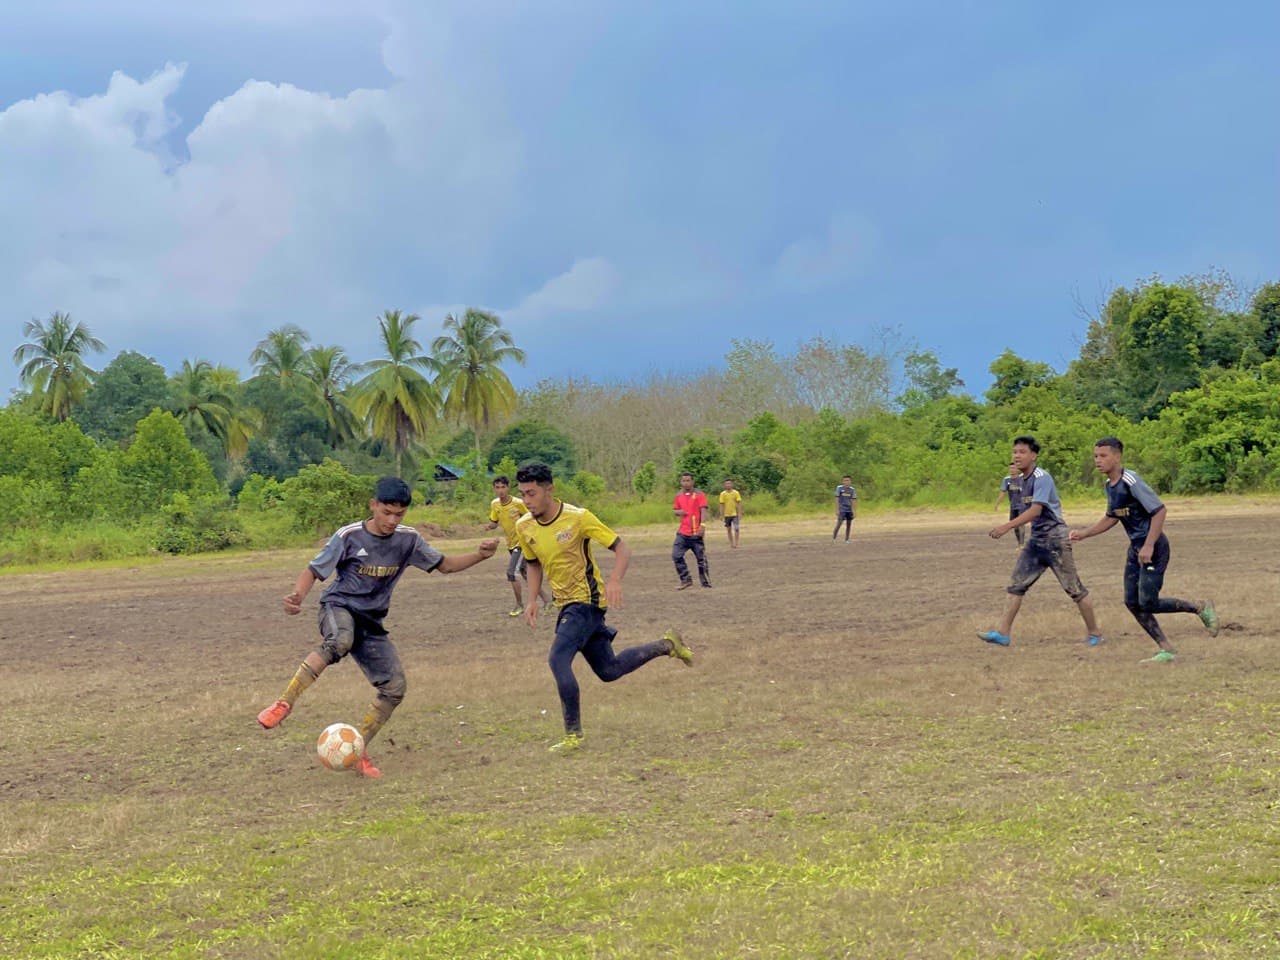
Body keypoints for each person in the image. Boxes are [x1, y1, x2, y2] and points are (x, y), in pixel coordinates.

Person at [256, 476, 499, 778]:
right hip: (339, 607)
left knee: (395, 688)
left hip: (371, 622)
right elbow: (314, 570)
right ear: (373, 506)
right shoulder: (350, 536)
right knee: (339, 641)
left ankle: (358, 750)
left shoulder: (408, 540)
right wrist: (297, 597)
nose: (392, 520)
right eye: (386, 512)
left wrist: (480, 555)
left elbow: (445, 565)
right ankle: (284, 704)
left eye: (399, 514)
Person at [515, 461, 694, 752]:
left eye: (532, 493)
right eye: (523, 494)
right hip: (567, 605)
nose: (527, 501)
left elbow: (622, 548)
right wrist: (532, 599)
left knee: (557, 659)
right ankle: (667, 645)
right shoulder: (524, 526)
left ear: (549, 490)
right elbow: (533, 563)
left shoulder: (578, 518)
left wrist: (615, 580)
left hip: (586, 603)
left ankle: (573, 735)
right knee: (609, 670)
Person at [1069, 437, 1219, 662]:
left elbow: (1159, 511)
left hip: (1154, 547)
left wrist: (1149, 545)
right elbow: (1113, 516)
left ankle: (1199, 607)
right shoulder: (1110, 485)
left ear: (1117, 457)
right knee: (1131, 601)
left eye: (1103, 456)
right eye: (1095, 456)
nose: (1098, 461)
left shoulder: (1131, 480)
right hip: (1136, 549)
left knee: (1148, 602)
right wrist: (1085, 533)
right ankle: (1166, 648)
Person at [978, 436, 1103, 648]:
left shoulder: (1041, 477)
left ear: (1033, 455)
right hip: (1037, 540)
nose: (1017, 456)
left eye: (1022, 452)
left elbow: (1036, 510)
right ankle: (1003, 633)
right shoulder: (1020, 481)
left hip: (1055, 540)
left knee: (1074, 589)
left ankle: (1095, 634)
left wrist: (1007, 526)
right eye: (1014, 452)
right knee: (1016, 585)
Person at [486, 475, 551, 616]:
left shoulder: (518, 503)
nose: (500, 490)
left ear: (508, 488)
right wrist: (488, 527)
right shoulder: (495, 504)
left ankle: (519, 605)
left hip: (521, 543)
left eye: (503, 487)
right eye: (497, 487)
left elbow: (532, 518)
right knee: (526, 575)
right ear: (494, 489)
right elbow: (494, 521)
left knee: (511, 573)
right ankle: (547, 600)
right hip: (510, 543)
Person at [672, 471, 711, 589]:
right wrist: (679, 512)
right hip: (683, 533)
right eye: (684, 480)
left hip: (695, 533)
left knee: (701, 559)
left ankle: (705, 582)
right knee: (676, 555)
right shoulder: (678, 496)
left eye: (688, 480)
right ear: (681, 482)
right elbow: (674, 510)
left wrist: (702, 525)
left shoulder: (699, 494)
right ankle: (686, 579)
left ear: (692, 482)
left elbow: (703, 509)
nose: (686, 483)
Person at [994, 461, 1026, 546]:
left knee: (1020, 524)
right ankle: (1019, 542)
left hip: (1022, 506)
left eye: (1014, 468)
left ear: (1018, 469)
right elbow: (1002, 492)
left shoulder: (1022, 479)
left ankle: (1021, 544)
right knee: (1014, 524)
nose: (1012, 470)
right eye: (1011, 468)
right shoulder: (1007, 480)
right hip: (1013, 506)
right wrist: (997, 503)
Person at [718, 478, 743, 549]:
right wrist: (721, 515)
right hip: (727, 514)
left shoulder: (736, 493)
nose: (728, 485)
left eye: (729, 483)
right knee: (728, 529)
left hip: (734, 514)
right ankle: (731, 543)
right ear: (724, 485)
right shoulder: (722, 494)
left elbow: (739, 504)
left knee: (736, 528)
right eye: (726, 484)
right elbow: (721, 505)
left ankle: (737, 543)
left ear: (732, 484)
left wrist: (740, 513)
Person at [833, 475, 857, 543]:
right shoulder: (839, 488)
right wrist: (837, 509)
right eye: (845, 480)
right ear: (843, 481)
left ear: (850, 481)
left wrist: (854, 511)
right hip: (842, 509)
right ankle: (834, 538)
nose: (846, 482)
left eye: (848, 480)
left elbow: (853, 500)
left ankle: (847, 539)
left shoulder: (852, 489)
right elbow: (836, 498)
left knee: (849, 524)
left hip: (849, 509)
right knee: (839, 523)